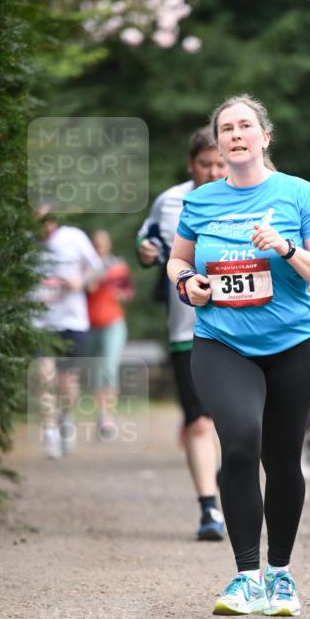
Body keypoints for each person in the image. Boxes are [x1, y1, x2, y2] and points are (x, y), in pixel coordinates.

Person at [167, 94, 310, 617]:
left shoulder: (299, 194)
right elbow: (178, 259)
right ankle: (246, 577)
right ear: (217, 143)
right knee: (240, 442)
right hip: (222, 342)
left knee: (282, 458)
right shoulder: (200, 203)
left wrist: (286, 248)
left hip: (292, 345)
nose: (236, 134)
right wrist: (187, 283)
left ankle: (281, 575)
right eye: (227, 128)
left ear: (265, 137)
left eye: (246, 126)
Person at [136, 127, 227, 542]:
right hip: (187, 330)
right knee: (200, 422)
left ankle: (234, 487)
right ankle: (209, 508)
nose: (212, 172)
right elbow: (147, 240)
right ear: (191, 164)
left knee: (237, 422)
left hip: (242, 329)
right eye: (205, 164)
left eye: (219, 164)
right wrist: (146, 252)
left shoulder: (252, 197)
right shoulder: (171, 201)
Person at [31, 207, 103, 458]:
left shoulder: (73, 237)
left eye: (48, 219)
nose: (45, 226)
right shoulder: (25, 245)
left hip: (72, 320)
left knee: (66, 382)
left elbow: (97, 266)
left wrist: (80, 282)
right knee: (43, 376)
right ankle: (49, 431)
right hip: (39, 322)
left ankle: (66, 419)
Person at [86, 230, 134, 439]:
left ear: (109, 245)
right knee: (96, 371)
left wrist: (121, 294)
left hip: (113, 323)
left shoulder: (118, 266)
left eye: (102, 244)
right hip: (89, 324)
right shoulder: (85, 266)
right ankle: (101, 414)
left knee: (109, 367)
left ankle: (108, 417)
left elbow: (128, 291)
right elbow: (85, 289)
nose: (99, 248)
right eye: (96, 244)